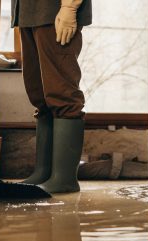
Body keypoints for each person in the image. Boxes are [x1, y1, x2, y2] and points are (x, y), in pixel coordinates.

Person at [11, 0, 92, 193]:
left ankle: (64, 178)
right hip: (27, 14)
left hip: (53, 10)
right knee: (39, 93)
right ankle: (44, 171)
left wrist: (69, 6)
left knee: (61, 92)